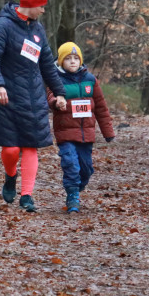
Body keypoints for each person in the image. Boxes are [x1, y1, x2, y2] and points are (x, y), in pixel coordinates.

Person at [0, 0, 67, 213]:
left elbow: (47, 65)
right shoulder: (4, 26)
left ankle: (27, 196)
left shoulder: (38, 30)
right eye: (41, 5)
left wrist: (59, 92)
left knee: (31, 147)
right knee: (11, 150)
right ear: (29, 4)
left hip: (34, 99)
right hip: (8, 98)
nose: (43, 10)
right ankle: (10, 175)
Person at [47, 43, 116, 213]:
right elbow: (49, 98)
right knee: (71, 164)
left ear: (81, 61)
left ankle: (78, 187)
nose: (72, 62)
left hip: (86, 134)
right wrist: (57, 101)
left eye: (75, 58)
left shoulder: (90, 80)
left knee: (86, 169)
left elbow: (101, 108)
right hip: (66, 133)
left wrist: (108, 132)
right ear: (61, 61)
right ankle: (72, 196)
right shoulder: (55, 79)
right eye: (68, 59)